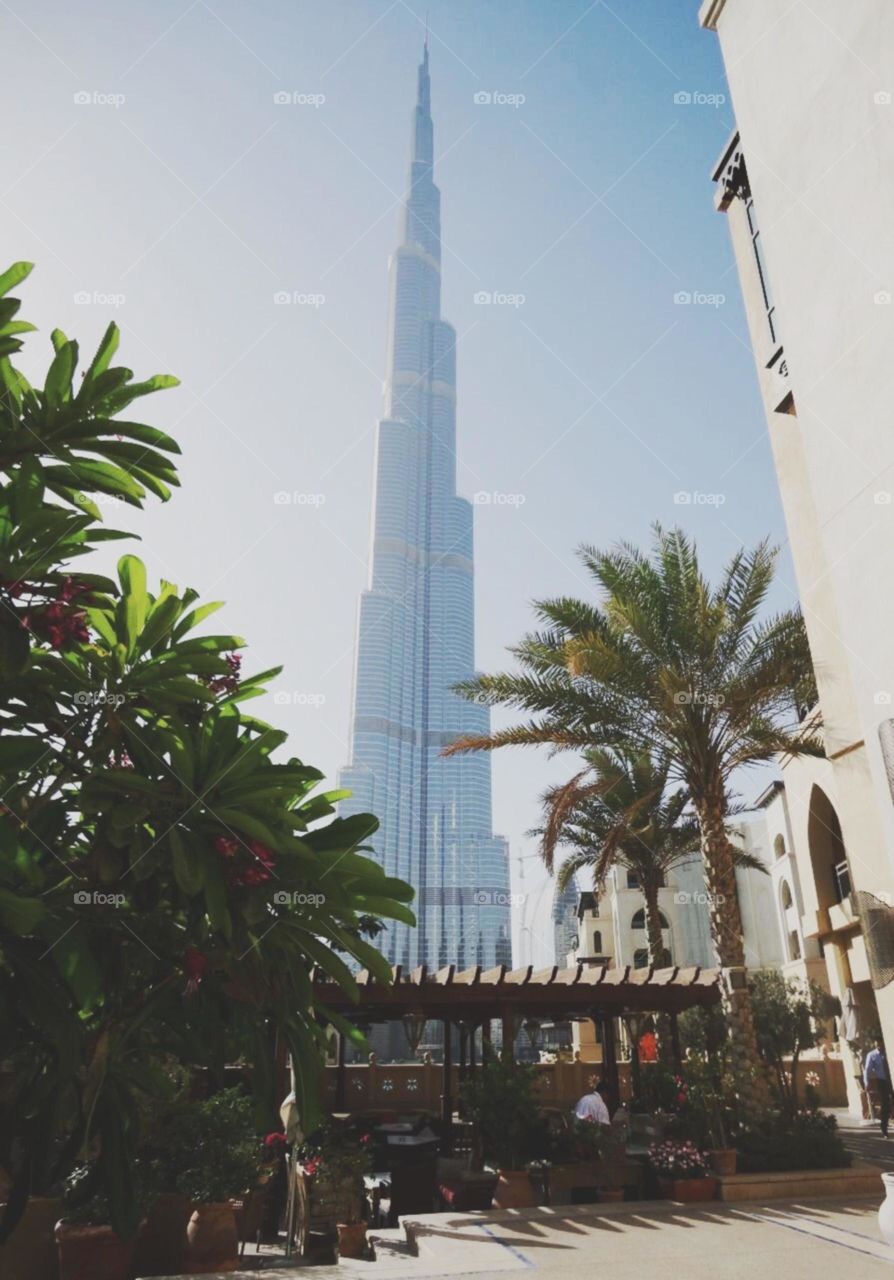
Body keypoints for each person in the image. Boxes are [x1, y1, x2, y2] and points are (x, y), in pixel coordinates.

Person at [864, 1036, 893, 1137]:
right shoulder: (872, 1055)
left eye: (880, 1044)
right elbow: (867, 1070)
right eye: (877, 1045)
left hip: (891, 1079)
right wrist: (867, 1083)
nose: (879, 1046)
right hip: (882, 1082)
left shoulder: (889, 1051)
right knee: (885, 1105)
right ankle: (884, 1128)